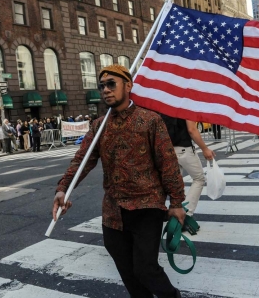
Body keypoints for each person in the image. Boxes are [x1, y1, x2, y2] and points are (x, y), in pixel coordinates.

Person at [52, 64, 185, 298]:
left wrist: (176, 203)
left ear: (128, 86)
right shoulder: (99, 125)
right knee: (128, 273)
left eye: (111, 84)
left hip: (147, 207)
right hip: (113, 212)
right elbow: (82, 160)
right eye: (102, 86)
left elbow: (168, 164)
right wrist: (64, 189)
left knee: (145, 268)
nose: (105, 90)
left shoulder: (150, 120)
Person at [161, 114, 215, 217]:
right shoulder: (187, 105)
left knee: (175, 183)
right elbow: (192, 130)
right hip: (184, 148)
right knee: (199, 179)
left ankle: (173, 210)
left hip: (167, 149)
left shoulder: (167, 102)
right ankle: (186, 213)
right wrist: (205, 149)